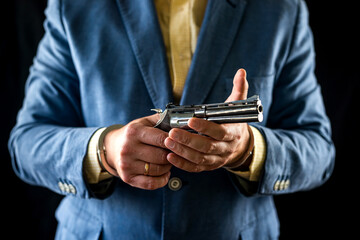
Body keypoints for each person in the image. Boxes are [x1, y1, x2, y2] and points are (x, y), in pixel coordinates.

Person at [8, 0, 335, 239]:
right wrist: (103, 150)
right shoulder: (73, 7)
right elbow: (26, 143)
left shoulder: (280, 9)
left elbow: (318, 151)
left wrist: (250, 148)